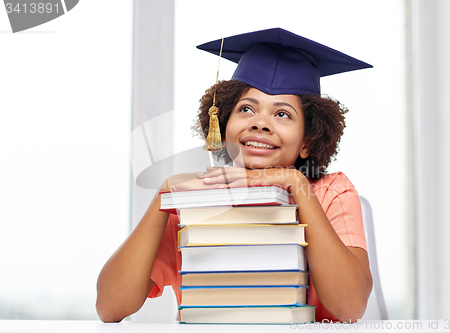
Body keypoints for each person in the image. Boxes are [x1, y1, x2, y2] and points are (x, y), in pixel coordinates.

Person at [96, 27, 373, 323]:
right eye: (246, 109)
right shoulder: (194, 201)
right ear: (223, 125)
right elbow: (111, 306)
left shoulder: (331, 192)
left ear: (308, 140)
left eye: (282, 114)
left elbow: (350, 306)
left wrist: (293, 182)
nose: (261, 124)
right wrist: (165, 194)